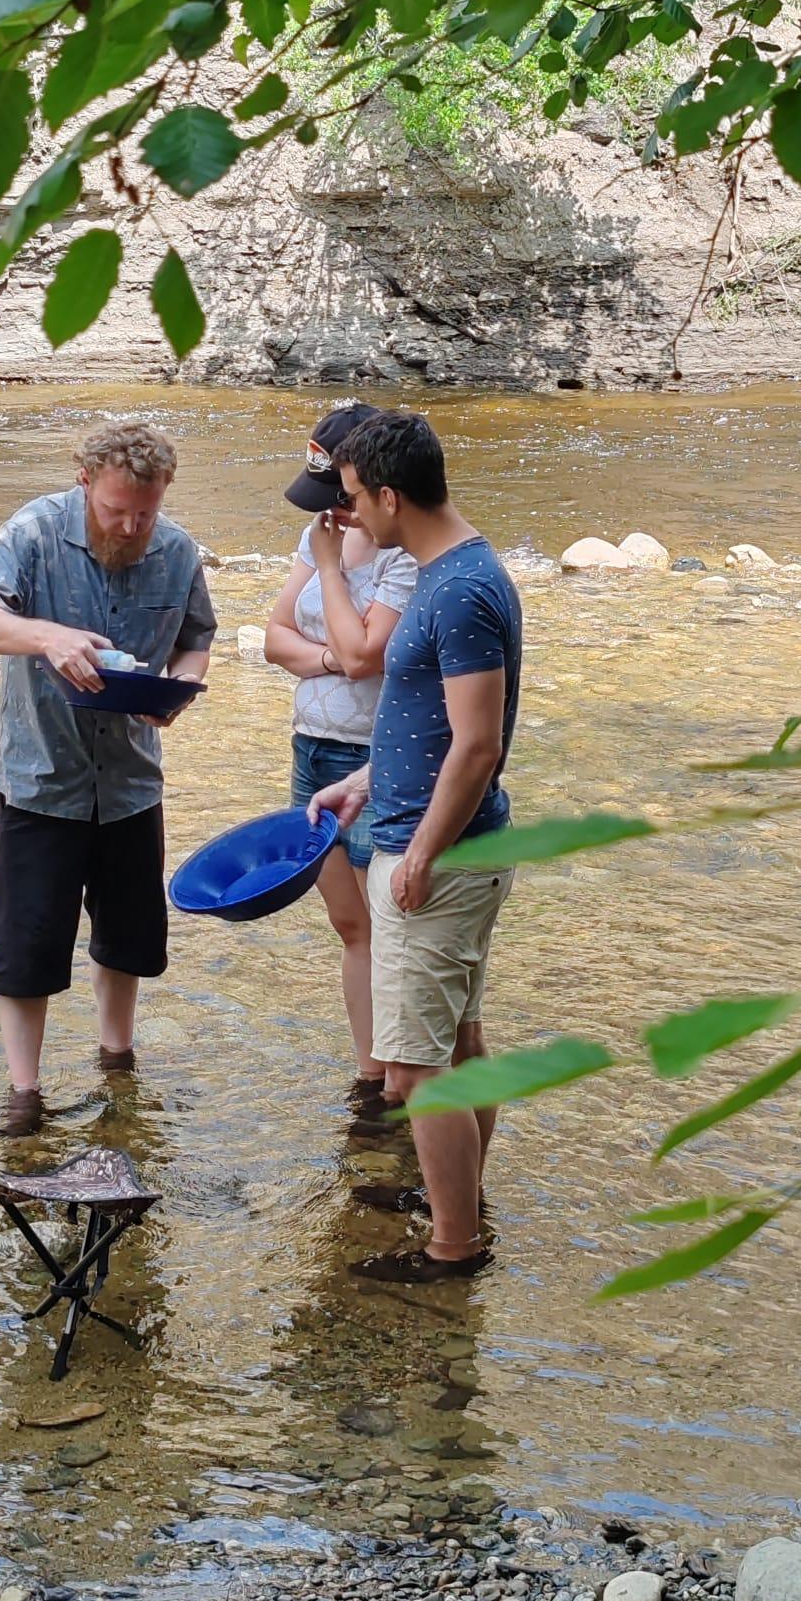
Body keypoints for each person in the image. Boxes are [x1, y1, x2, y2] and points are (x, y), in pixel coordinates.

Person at [307, 411, 521, 1284]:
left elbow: (476, 744)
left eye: (355, 497)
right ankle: (456, 1201)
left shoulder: (459, 590)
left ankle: (453, 1247)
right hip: (425, 831)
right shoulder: (453, 572)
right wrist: (365, 783)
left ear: (391, 494)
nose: (349, 513)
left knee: (417, 1069)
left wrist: (424, 853)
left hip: (439, 856)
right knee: (460, 1046)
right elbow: (431, 727)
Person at [0, 420, 216, 1133]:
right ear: (85, 484)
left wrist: (182, 688)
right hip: (42, 775)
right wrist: (48, 635)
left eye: (146, 511)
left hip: (132, 782)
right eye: (116, 511)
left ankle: (117, 1057)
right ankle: (23, 1092)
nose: (132, 526)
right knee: (28, 944)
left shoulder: (177, 549)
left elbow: (197, 638)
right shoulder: (35, 532)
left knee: (128, 938)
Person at [263, 404, 416, 1104]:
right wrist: (326, 654)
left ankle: (404, 1073)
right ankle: (369, 1072)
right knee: (349, 923)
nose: (334, 513)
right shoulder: (318, 532)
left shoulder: (406, 552)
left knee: (394, 921)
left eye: (343, 498)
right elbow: (273, 636)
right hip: (313, 750)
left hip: (380, 757)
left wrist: (328, 577)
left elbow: (365, 658)